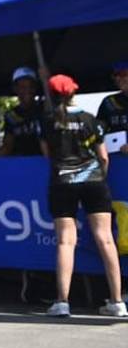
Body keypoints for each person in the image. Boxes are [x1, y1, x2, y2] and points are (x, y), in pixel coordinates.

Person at [40, 74, 126, 318]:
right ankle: (118, 302)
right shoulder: (92, 120)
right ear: (74, 92)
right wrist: (97, 176)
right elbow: (104, 157)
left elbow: (47, 154)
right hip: (94, 181)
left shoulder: (47, 121)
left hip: (62, 182)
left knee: (66, 241)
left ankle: (62, 302)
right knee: (106, 240)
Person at [0, 66, 46, 155]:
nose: (27, 90)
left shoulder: (44, 108)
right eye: (22, 87)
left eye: (31, 86)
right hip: (21, 165)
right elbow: (7, 147)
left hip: (44, 164)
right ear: (15, 89)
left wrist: (46, 81)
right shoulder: (11, 116)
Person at [95, 60, 128, 152]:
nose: (118, 79)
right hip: (116, 157)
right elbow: (98, 129)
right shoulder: (109, 102)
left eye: (123, 74)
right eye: (115, 75)